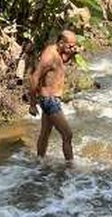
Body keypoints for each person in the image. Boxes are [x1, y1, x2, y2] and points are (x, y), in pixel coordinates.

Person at [28, 30, 81, 160]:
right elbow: (34, 77)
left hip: (50, 99)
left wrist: (71, 53)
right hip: (49, 100)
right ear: (61, 43)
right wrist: (32, 104)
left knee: (45, 133)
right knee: (67, 135)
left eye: (74, 45)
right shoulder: (49, 56)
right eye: (70, 46)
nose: (72, 48)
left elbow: (61, 62)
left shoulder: (58, 52)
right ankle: (70, 168)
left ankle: (39, 162)